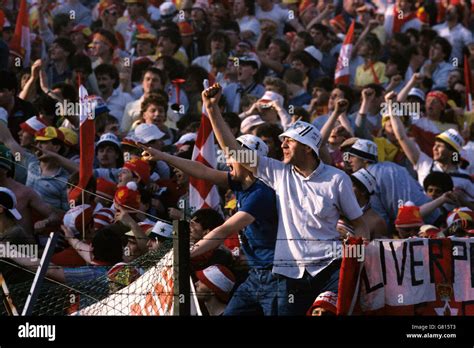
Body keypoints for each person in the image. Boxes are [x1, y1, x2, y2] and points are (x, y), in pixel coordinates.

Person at [201, 83, 368, 315]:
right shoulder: (278, 173)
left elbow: (359, 225)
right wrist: (212, 109)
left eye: (289, 141)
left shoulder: (337, 179)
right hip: (290, 274)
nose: (282, 145)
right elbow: (233, 151)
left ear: (308, 148)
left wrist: (357, 261)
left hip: (330, 270)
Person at [386, 91, 474, 201]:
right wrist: (390, 106)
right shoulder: (424, 164)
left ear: (452, 152)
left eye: (440, 146)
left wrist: (460, 200)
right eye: (435, 145)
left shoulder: (464, 179)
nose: (434, 148)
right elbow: (402, 137)